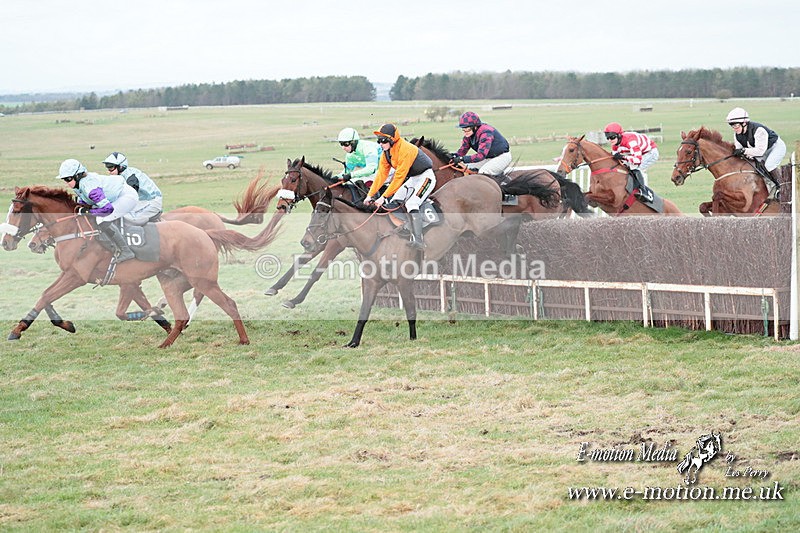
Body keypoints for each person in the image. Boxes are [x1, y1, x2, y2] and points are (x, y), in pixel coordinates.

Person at [364, 123, 436, 250]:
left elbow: (399, 178)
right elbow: (381, 175)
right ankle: (406, 227)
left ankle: (419, 240)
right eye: (378, 141)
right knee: (394, 201)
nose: (380, 144)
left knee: (412, 204)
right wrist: (370, 195)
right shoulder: (386, 153)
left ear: (392, 140)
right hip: (413, 179)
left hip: (426, 177)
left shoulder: (405, 149)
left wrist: (384, 197)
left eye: (383, 140)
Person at [56, 158, 137, 262]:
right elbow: (85, 202)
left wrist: (88, 212)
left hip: (127, 196)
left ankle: (126, 251)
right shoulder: (79, 185)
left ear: (77, 176)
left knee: (101, 219)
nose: (66, 182)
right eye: (64, 179)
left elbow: (108, 209)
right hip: (115, 196)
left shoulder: (90, 188)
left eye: (68, 179)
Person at [726, 107, 786, 198]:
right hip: (762, 150)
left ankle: (782, 187)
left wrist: (744, 151)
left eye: (736, 126)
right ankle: (768, 186)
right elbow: (740, 150)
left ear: (744, 123)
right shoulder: (737, 135)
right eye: (732, 126)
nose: (735, 129)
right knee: (754, 164)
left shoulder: (759, 130)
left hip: (775, 147)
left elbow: (760, 151)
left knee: (769, 165)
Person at [603, 122, 658, 203]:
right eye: (607, 138)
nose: (610, 140)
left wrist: (623, 157)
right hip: (636, 152)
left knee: (636, 168)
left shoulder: (630, 141)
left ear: (619, 135)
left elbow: (637, 160)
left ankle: (645, 192)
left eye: (612, 137)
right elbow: (615, 157)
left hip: (650, 152)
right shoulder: (615, 143)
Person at [103, 152, 163, 225]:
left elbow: (128, 198)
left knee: (128, 219)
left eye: (111, 167)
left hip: (151, 202)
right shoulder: (118, 177)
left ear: (121, 167)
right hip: (140, 203)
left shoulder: (131, 178)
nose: (109, 171)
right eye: (107, 167)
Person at [450, 111, 512, 177]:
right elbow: (462, 151)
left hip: (502, 157)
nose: (465, 133)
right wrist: (453, 156)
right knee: (466, 168)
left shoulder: (486, 133)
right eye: (463, 130)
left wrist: (462, 158)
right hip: (489, 158)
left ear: (475, 127)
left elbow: (480, 155)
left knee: (483, 172)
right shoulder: (468, 136)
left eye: (467, 129)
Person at [333, 128, 382, 194]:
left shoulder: (367, 148)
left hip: (389, 170)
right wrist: (337, 177)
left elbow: (371, 169)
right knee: (352, 182)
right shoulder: (350, 155)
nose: (343, 147)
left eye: (346, 144)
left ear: (354, 142)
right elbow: (347, 172)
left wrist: (351, 175)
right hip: (375, 173)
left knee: (365, 181)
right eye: (341, 144)